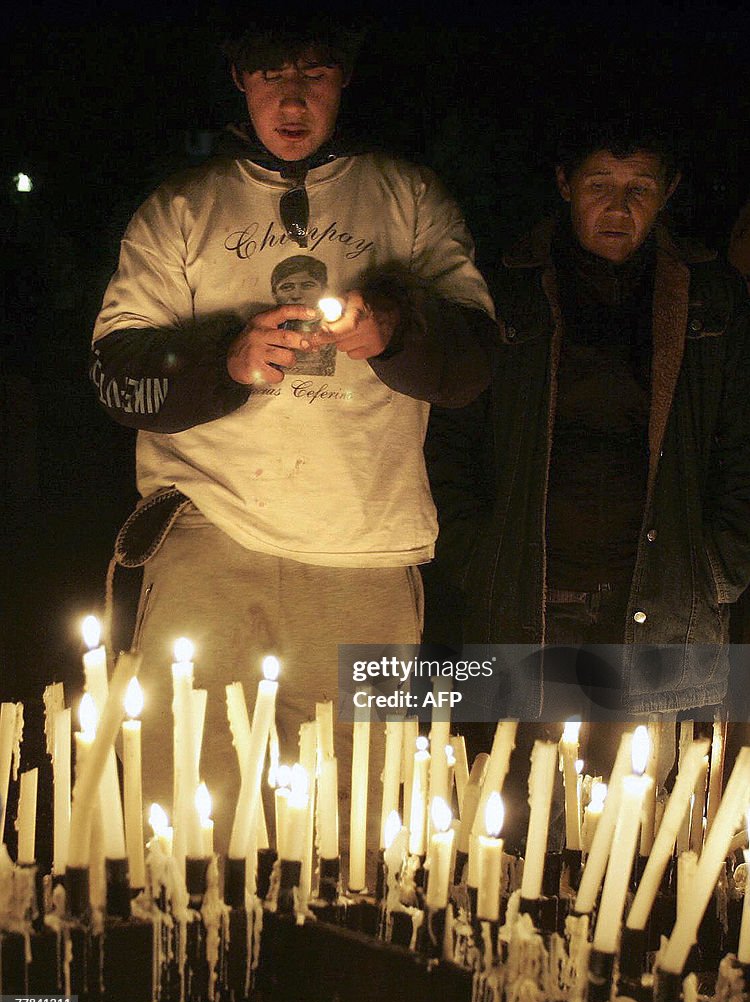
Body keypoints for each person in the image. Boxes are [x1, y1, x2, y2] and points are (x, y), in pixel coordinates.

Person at [90, 18, 496, 863]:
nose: (294, 96)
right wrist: (225, 357)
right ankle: (190, 982)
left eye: (315, 71)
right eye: (272, 73)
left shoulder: (409, 201)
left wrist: (395, 331)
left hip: (367, 560)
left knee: (356, 832)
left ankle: (336, 986)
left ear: (345, 79)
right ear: (239, 80)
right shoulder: (181, 210)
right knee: (182, 817)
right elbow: (114, 372)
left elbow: (475, 362)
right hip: (209, 544)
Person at [425, 122, 750, 725]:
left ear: (668, 192)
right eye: (600, 184)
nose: (619, 208)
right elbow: (450, 440)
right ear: (565, 184)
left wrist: (718, 568)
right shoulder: (507, 291)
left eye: (640, 188)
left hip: (668, 603)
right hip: (526, 599)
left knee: (651, 805)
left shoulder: (712, 301)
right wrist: (477, 556)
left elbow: (741, 447)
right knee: (515, 795)